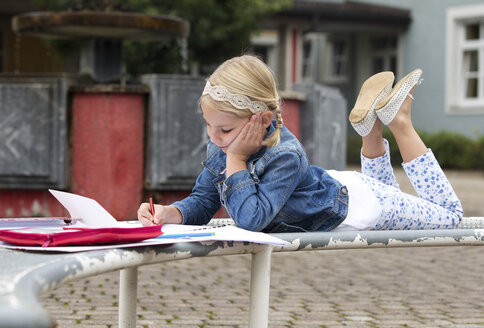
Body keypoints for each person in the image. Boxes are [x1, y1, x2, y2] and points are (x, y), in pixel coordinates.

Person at [137, 55, 463, 232]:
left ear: (262, 120)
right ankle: (370, 130)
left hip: (365, 207)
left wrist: (236, 162)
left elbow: (253, 219)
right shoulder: (222, 146)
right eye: (208, 126)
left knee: (451, 216)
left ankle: (400, 122)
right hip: (346, 187)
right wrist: (171, 213)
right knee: (396, 194)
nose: (214, 138)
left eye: (223, 129)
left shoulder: (284, 155)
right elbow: (204, 200)